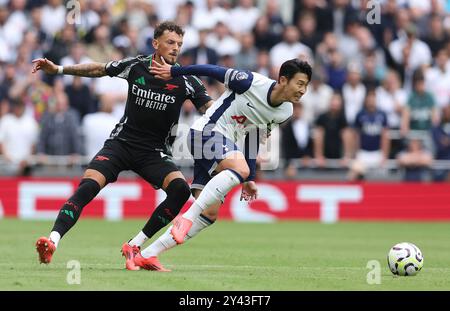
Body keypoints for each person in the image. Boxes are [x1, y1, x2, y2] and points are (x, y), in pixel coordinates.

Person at [31, 21, 213, 271]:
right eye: (170, 42)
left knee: (181, 191)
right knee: (88, 186)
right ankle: (52, 242)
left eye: (179, 44)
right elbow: (98, 69)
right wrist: (60, 69)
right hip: (121, 143)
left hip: (153, 153)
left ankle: (135, 245)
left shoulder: (187, 80)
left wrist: (241, 120)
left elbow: (211, 110)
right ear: (155, 43)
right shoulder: (136, 66)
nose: (175, 48)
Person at [141, 57, 312, 269]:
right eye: (300, 83)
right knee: (238, 169)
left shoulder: (285, 112)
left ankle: (147, 253)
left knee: (209, 214)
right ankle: (186, 218)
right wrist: (174, 72)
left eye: (306, 85)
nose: (303, 90)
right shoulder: (251, 82)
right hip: (204, 133)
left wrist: (248, 179)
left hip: (218, 146)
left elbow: (253, 135)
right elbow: (212, 69)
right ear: (284, 80)